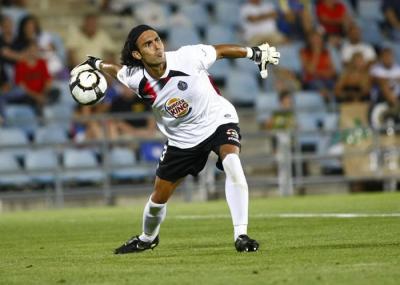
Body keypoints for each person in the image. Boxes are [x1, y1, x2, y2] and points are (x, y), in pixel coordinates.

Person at [71, 24, 280, 253]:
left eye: (157, 40)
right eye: (148, 44)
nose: (157, 46)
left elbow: (220, 51)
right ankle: (147, 238)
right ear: (137, 55)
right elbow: (114, 69)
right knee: (158, 198)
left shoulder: (187, 57)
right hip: (181, 139)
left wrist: (253, 53)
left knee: (232, 162)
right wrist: (95, 63)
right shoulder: (135, 78)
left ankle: (241, 234)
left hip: (217, 120)